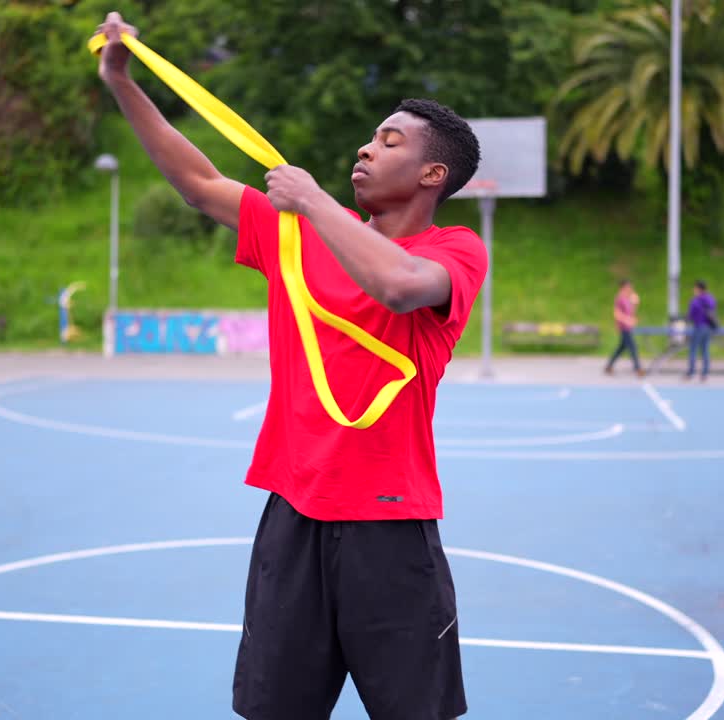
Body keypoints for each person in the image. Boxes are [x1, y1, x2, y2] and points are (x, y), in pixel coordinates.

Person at [95, 13, 485, 720]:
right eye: (368, 138)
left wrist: (310, 199)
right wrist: (122, 82)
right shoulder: (293, 235)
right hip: (294, 513)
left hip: (391, 527)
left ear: (434, 173)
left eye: (388, 141)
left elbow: (397, 285)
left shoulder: (455, 250)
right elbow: (198, 180)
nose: (365, 150)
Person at [605, 279, 643, 377]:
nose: (630, 289)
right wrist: (627, 320)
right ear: (623, 287)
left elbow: (631, 312)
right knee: (632, 347)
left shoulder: (628, 298)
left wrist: (635, 304)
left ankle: (609, 366)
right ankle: (638, 368)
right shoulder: (619, 298)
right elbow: (617, 314)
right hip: (623, 327)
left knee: (621, 348)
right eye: (629, 287)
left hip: (628, 327)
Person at [684, 280, 717, 381]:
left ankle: (691, 372)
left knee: (693, 350)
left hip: (698, 327)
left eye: (695, 288)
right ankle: (704, 373)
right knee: (705, 350)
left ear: (698, 288)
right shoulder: (710, 299)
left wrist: (686, 319)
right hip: (708, 328)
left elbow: (690, 315)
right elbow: (713, 310)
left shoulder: (695, 301)